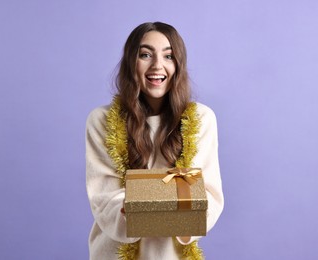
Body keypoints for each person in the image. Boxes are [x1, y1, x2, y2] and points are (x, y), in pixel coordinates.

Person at [85, 22, 224, 260]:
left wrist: (138, 202)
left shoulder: (201, 119)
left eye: (168, 56)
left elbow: (207, 201)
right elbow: (105, 202)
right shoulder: (102, 120)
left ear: (178, 65)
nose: (157, 65)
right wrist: (178, 201)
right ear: (131, 62)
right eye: (145, 54)